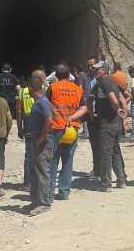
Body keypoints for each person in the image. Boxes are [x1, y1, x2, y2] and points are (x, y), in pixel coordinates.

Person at [47, 64, 87, 201]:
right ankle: (64, 192)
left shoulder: (53, 87)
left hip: (56, 128)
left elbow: (45, 106)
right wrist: (72, 118)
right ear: (69, 74)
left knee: (52, 161)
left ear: (56, 76)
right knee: (67, 161)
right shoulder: (77, 89)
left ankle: (49, 193)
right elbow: (84, 108)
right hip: (72, 129)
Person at [91, 62, 128, 191]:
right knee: (115, 151)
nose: (94, 71)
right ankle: (121, 180)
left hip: (107, 122)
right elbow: (123, 99)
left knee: (106, 152)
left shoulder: (103, 83)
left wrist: (117, 109)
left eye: (97, 69)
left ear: (104, 71)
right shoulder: (113, 82)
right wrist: (124, 117)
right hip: (116, 122)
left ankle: (106, 184)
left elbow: (114, 100)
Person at [27, 74, 54, 216]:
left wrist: (41, 138)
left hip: (43, 143)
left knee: (42, 173)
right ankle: (37, 201)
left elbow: (49, 121)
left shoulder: (42, 102)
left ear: (31, 88)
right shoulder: (41, 102)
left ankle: (44, 203)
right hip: (39, 141)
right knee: (36, 173)